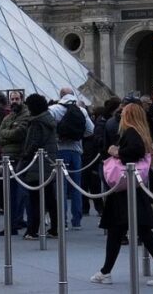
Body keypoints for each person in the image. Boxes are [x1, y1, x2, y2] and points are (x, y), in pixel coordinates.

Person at [91, 102, 153, 286]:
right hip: (129, 188)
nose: (120, 116)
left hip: (126, 189)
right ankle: (106, 271)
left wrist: (116, 151)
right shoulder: (140, 131)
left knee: (139, 230)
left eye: (124, 113)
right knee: (118, 230)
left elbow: (133, 152)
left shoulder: (131, 132)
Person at [49, 88, 94, 230]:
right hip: (76, 152)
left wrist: (57, 136)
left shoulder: (54, 109)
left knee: (60, 187)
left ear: (60, 96)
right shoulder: (82, 110)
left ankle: (63, 221)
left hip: (60, 151)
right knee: (76, 186)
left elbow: (48, 127)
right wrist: (78, 137)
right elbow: (90, 130)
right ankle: (77, 220)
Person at [22, 94, 59, 240]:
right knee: (50, 199)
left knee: (35, 199)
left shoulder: (37, 122)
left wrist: (25, 154)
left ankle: (32, 230)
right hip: (48, 163)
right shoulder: (48, 119)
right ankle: (55, 228)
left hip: (37, 164)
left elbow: (34, 142)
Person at [0, 91, 31, 236]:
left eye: (17, 98)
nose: (14, 101)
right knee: (9, 193)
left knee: (19, 193)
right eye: (12, 99)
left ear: (22, 100)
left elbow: (20, 133)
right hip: (7, 158)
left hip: (19, 158)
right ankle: (11, 223)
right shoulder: (8, 116)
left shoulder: (26, 115)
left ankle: (16, 222)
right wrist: (7, 135)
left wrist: (6, 134)